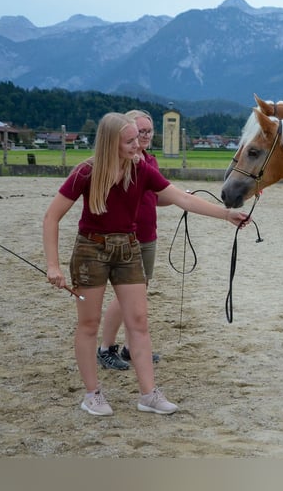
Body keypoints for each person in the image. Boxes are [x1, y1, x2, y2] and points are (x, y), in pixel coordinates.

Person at [43, 112, 248, 416]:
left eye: (138, 139)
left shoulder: (142, 170)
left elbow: (182, 198)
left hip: (129, 248)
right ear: (111, 143)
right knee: (88, 324)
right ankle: (92, 394)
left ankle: (148, 395)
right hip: (90, 251)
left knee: (138, 322)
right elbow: (51, 217)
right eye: (130, 141)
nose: (138, 146)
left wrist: (225, 214)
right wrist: (53, 265)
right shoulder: (86, 172)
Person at [97, 109, 161, 371]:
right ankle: (106, 348)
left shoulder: (150, 161)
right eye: (139, 131)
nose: (143, 136)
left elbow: (158, 196)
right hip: (129, 237)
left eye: (148, 131)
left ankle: (130, 347)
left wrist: (183, 198)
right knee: (126, 297)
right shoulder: (122, 163)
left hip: (148, 236)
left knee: (138, 293)